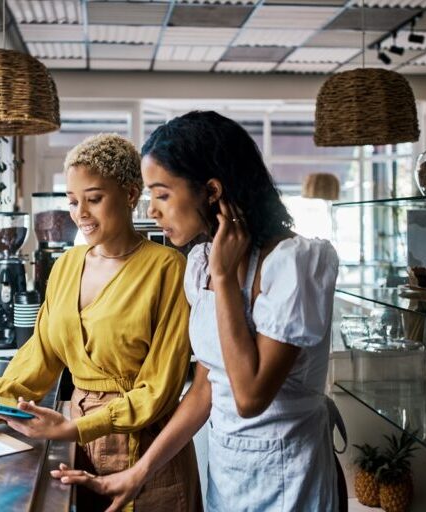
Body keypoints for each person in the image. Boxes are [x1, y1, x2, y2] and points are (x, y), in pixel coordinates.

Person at [53, 112, 346, 512]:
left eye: (162, 194)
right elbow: (207, 388)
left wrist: (225, 279)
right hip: (227, 475)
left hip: (289, 475)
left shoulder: (295, 263)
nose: (152, 211)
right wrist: (138, 473)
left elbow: (249, 396)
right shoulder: (201, 263)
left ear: (210, 191)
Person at [0, 133, 201, 512]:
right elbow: (38, 358)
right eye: (72, 201)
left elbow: (159, 389)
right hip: (79, 450)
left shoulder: (167, 268)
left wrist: (75, 427)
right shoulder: (67, 265)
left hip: (148, 455)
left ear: (131, 195)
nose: (80, 212)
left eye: (94, 199)